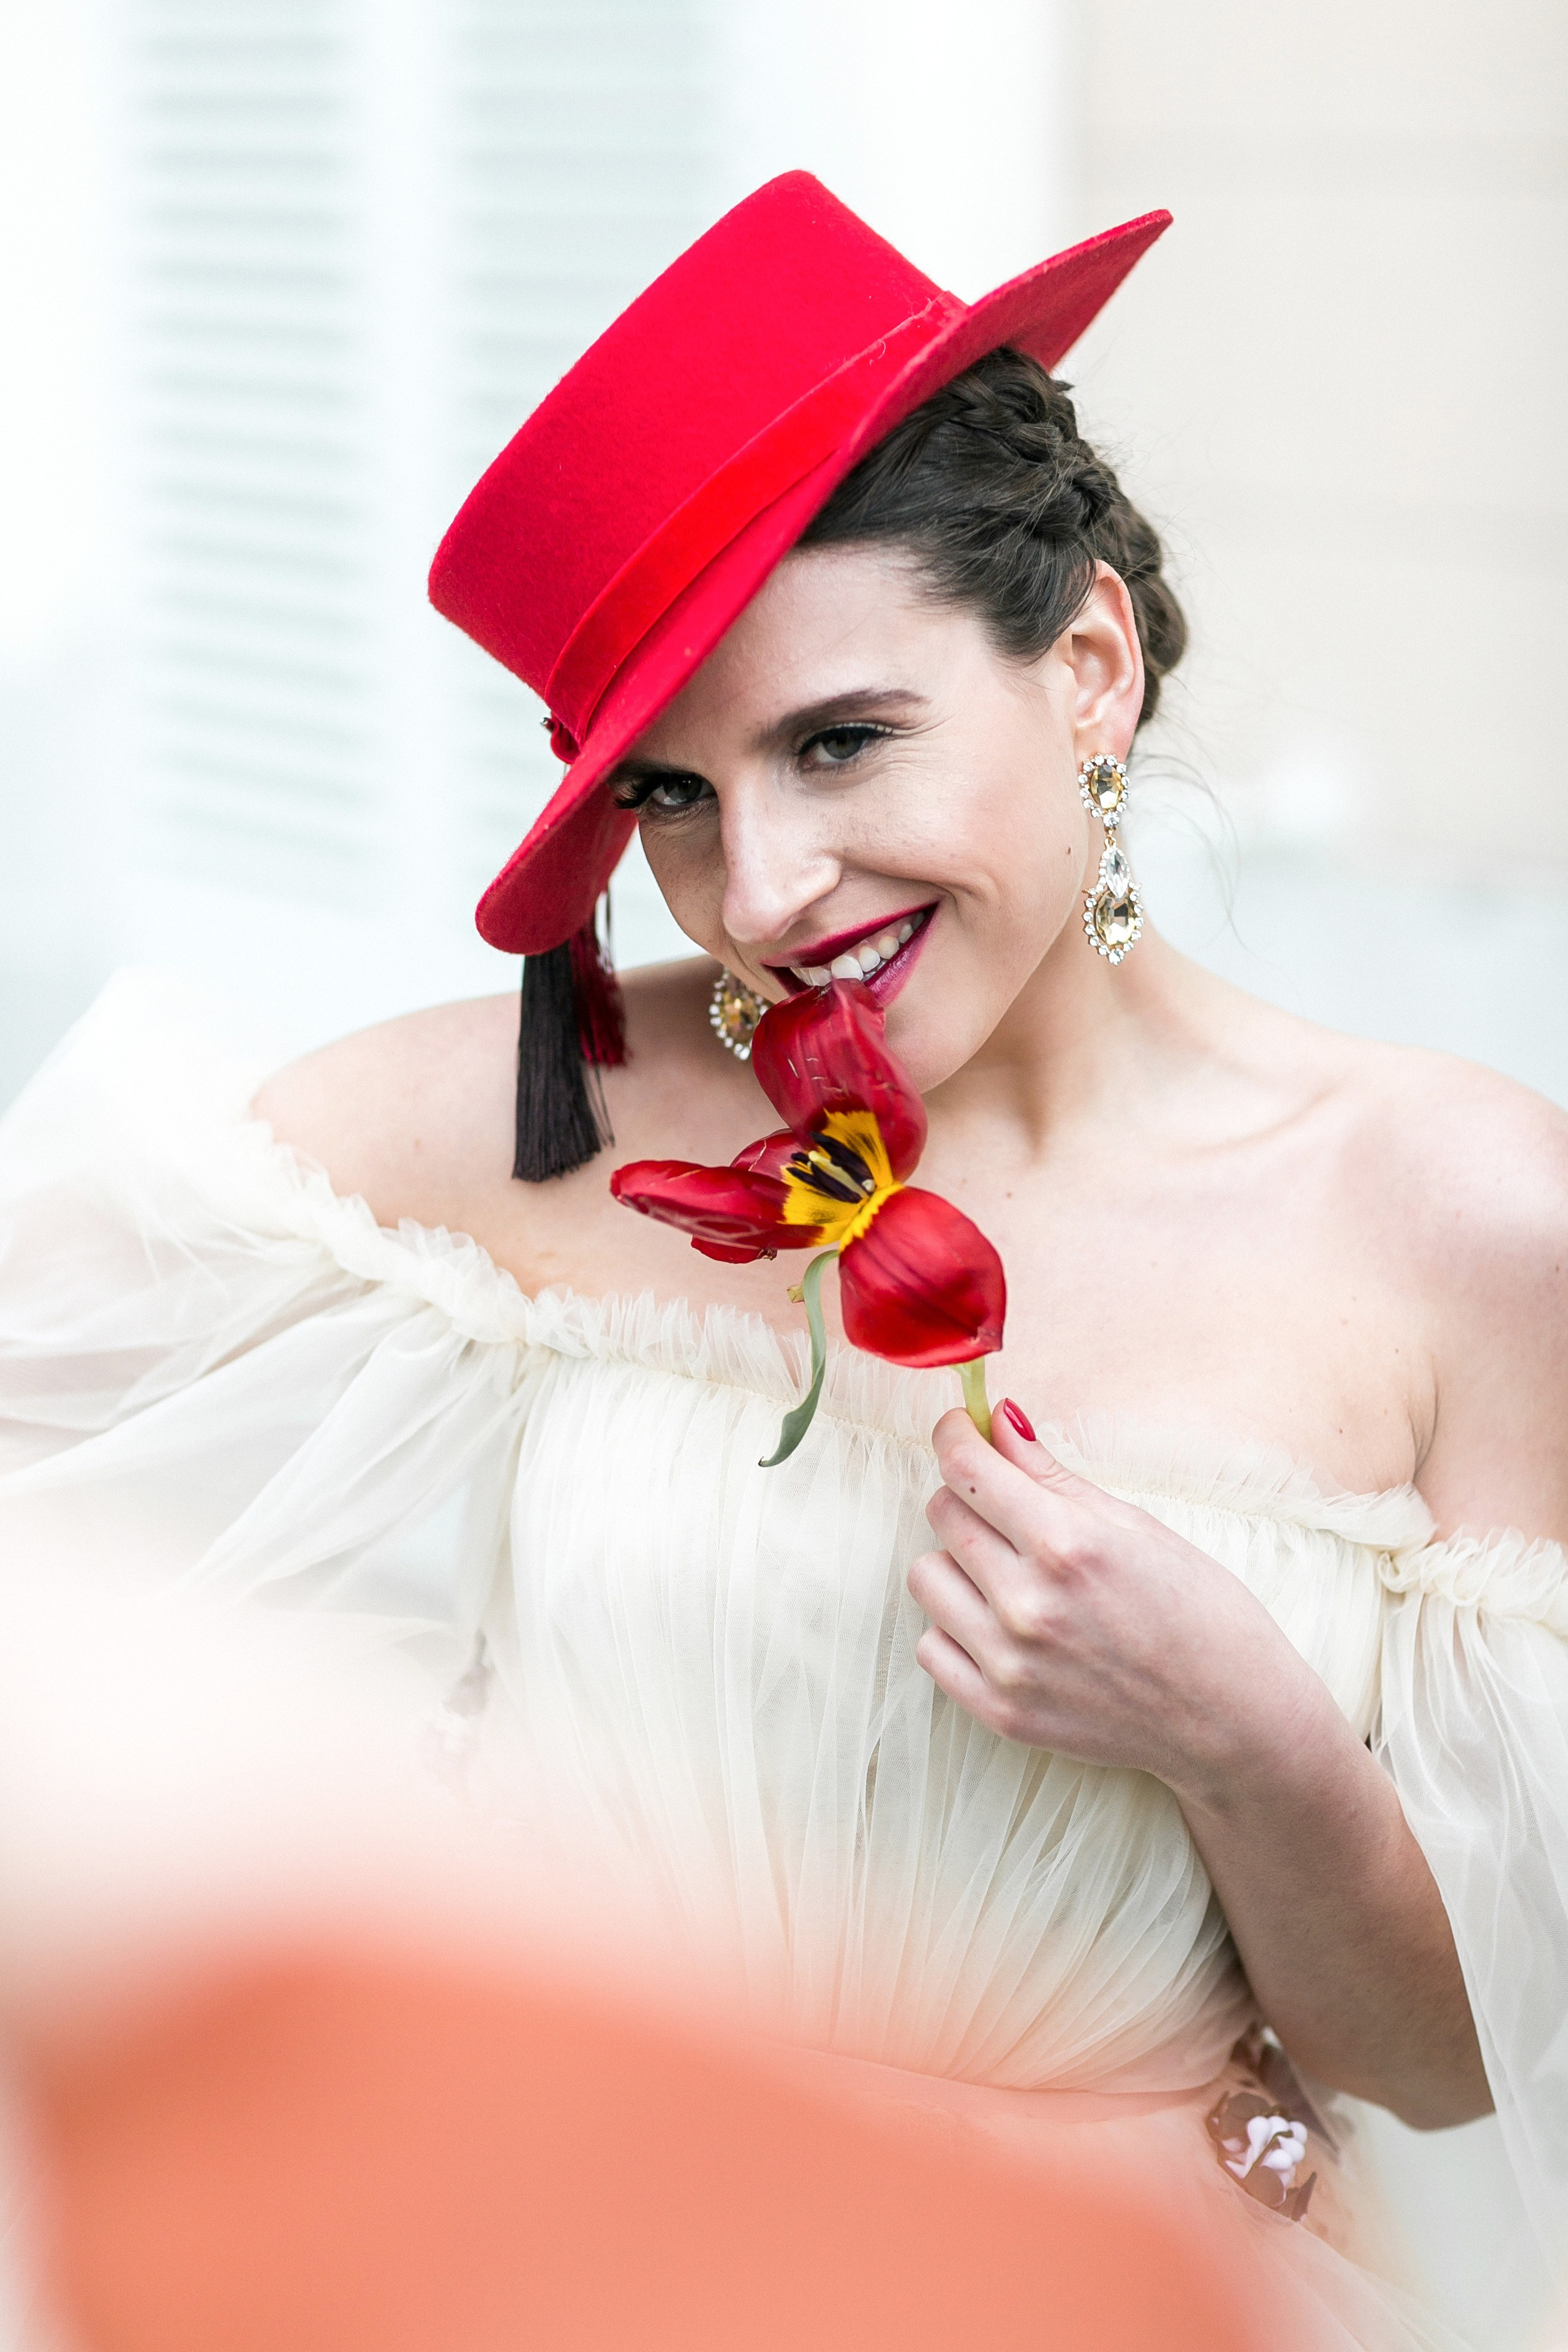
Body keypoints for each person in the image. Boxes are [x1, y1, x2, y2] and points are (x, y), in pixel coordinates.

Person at [1, 173, 1564, 2348]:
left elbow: (1443, 2061)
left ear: (1090, 666)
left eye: (841, 742)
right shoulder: (540, 1131)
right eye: (670, 798)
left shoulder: (1462, 1224)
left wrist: (1249, 1739)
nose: (766, 890)